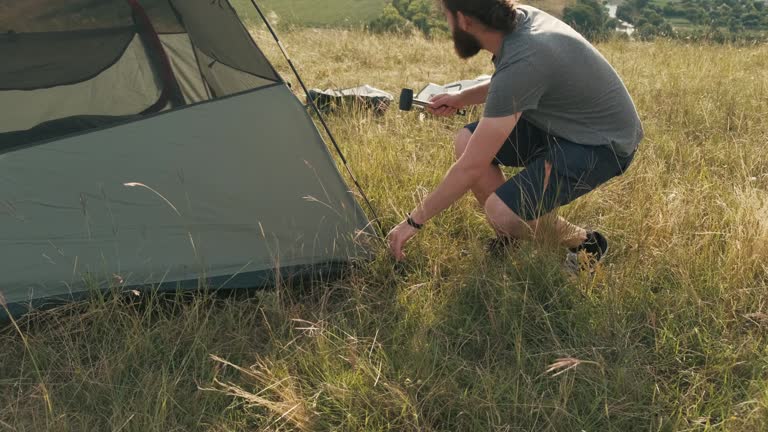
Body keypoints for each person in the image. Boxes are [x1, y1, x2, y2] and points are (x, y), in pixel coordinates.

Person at [386, 0, 643, 272]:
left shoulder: (526, 55)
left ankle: (587, 244)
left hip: (602, 143)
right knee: (465, 140)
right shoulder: (515, 22)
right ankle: (510, 235)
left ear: (463, 20)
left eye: (446, 17)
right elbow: (511, 80)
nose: (447, 26)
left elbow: (471, 167)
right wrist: (461, 98)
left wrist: (412, 222)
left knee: (501, 211)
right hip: (559, 124)